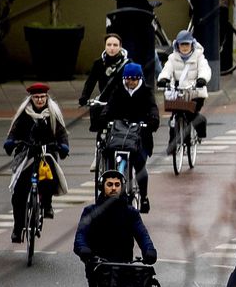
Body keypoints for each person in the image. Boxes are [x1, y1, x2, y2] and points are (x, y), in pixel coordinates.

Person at [4, 84, 69, 241]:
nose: (39, 100)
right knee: (19, 192)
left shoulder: (52, 113)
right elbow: (14, 131)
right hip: (27, 154)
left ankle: (47, 205)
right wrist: (11, 142)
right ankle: (18, 228)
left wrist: (63, 146)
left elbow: (61, 133)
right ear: (31, 98)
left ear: (46, 97)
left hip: (46, 153)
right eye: (36, 97)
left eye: (42, 97)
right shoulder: (24, 114)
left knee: (49, 177)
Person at [101, 62, 160, 213]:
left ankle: (144, 197)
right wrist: (106, 114)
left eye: (134, 79)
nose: (131, 82)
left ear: (139, 79)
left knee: (140, 164)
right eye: (128, 79)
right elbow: (111, 105)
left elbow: (153, 107)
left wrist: (153, 119)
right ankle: (106, 190)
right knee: (108, 153)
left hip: (140, 135)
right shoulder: (119, 90)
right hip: (120, 133)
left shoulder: (146, 92)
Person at [80, 33, 130, 170]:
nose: (112, 48)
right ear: (105, 46)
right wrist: (84, 97)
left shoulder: (127, 64)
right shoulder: (98, 63)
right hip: (104, 100)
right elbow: (90, 82)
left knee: (122, 127)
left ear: (120, 47)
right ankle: (98, 155)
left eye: (115, 45)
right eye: (109, 45)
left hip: (121, 100)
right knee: (101, 129)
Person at [156, 30, 211, 141]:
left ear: (192, 45)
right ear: (177, 45)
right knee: (173, 119)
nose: (185, 47)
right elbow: (167, 69)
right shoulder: (172, 58)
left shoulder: (199, 57)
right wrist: (163, 78)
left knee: (192, 114)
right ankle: (172, 143)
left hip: (195, 92)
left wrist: (202, 79)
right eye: (182, 44)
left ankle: (200, 125)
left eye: (187, 44)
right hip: (179, 92)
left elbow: (204, 69)